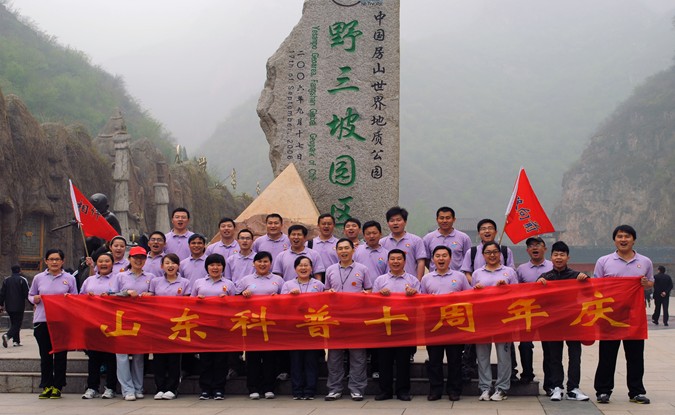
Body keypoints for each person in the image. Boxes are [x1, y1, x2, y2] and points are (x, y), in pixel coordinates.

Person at [593, 225, 653, 405]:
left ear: (634, 240)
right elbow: (595, 285)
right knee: (607, 355)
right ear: (614, 240)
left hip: (634, 317)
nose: (623, 239)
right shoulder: (604, 261)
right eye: (619, 236)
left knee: (635, 356)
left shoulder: (645, 262)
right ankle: (603, 391)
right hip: (610, 316)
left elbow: (650, 282)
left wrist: (646, 284)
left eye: (627, 236)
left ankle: (636, 391)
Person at [536, 241, 590, 402]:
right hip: (553, 323)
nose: (559, 258)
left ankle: (573, 388)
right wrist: (538, 286)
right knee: (554, 356)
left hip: (573, 321)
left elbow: (591, 292)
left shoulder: (576, 276)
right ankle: (557, 387)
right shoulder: (545, 277)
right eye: (556, 255)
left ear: (568, 257)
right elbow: (536, 298)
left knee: (575, 356)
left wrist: (586, 279)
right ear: (551, 257)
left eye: (562, 255)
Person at [420, 245, 471, 401]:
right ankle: (435, 390)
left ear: (450, 258)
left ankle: (454, 390)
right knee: (434, 359)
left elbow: (469, 297)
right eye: (437, 256)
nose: (441, 259)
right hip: (434, 324)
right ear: (433, 259)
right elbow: (421, 301)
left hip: (454, 323)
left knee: (455, 359)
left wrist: (457, 298)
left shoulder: (460, 276)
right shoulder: (426, 278)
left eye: (444, 255)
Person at [324, 238, 372, 402]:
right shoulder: (330, 269)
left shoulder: (363, 269)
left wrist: (366, 295)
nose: (343, 251)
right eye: (340, 248)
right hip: (336, 319)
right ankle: (334, 389)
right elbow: (326, 291)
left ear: (353, 250)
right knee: (334, 356)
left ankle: (357, 388)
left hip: (356, 319)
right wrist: (328, 292)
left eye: (346, 248)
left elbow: (369, 289)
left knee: (358, 355)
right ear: (336, 251)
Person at [29, 249, 78, 399]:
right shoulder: (38, 278)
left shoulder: (69, 278)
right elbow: (31, 295)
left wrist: (69, 298)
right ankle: (46, 385)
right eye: (51, 259)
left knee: (60, 354)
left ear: (63, 261)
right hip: (42, 320)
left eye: (57, 259)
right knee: (45, 355)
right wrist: (35, 299)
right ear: (46, 261)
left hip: (62, 321)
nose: (54, 262)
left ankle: (58, 386)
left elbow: (76, 297)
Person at [372, 249, 420, 401]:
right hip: (385, 326)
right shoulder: (380, 280)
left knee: (403, 360)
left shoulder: (413, 280)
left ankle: (403, 391)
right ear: (388, 261)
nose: (396, 262)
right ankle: (385, 391)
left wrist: (413, 294)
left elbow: (420, 303)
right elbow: (373, 303)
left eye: (399, 259)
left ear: (405, 261)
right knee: (384, 360)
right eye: (392, 259)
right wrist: (380, 294)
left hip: (405, 327)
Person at [472, 241, 517, 402]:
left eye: (495, 252)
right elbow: (472, 296)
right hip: (483, 318)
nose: (492, 255)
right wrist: (476, 290)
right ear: (483, 255)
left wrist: (506, 288)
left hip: (503, 318)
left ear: (500, 254)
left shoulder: (509, 272)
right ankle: (485, 387)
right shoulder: (477, 273)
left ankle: (502, 388)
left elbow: (517, 294)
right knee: (482, 355)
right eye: (488, 252)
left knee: (503, 355)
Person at [236, 251, 285, 400]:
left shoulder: (278, 280)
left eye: (265, 261)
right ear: (254, 263)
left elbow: (286, 300)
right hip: (252, 325)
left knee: (270, 357)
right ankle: (253, 387)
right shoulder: (246, 280)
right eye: (259, 261)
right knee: (253, 358)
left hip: (271, 324)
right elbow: (235, 300)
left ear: (270, 264)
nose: (262, 264)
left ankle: (269, 387)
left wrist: (278, 298)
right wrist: (243, 295)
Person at [192, 254, 236, 400]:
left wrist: (227, 301)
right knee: (205, 359)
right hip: (204, 326)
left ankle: (218, 389)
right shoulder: (199, 283)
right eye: (212, 265)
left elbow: (236, 306)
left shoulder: (229, 284)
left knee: (221, 360)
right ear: (207, 267)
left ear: (223, 267)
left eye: (218, 265)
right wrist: (198, 301)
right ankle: (205, 389)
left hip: (222, 327)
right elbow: (190, 303)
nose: (215, 268)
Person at [148, 253, 192, 400]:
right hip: (159, 324)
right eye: (167, 263)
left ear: (178, 266)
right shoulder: (155, 282)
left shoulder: (185, 282)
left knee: (174, 358)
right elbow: (151, 300)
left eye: (173, 263)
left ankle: (172, 388)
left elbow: (187, 303)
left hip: (177, 324)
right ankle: (160, 387)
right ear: (162, 266)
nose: (170, 266)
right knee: (158, 357)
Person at [115, 246, 156, 401]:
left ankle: (138, 387)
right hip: (122, 320)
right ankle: (127, 389)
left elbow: (155, 294)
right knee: (122, 355)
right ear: (129, 259)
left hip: (142, 320)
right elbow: (111, 295)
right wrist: (125, 293)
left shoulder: (151, 277)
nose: (139, 261)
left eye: (142, 258)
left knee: (139, 355)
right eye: (135, 257)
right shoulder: (120, 276)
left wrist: (150, 294)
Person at [281, 256, 325, 400]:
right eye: (300, 265)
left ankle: (310, 390)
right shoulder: (288, 285)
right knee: (296, 361)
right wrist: (290, 297)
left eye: (306, 265)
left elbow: (324, 304)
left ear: (311, 268)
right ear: (295, 269)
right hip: (294, 329)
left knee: (311, 361)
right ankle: (297, 390)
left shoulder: (319, 285)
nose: (303, 268)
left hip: (313, 327)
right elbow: (281, 305)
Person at [80, 252, 121, 399]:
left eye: (107, 261)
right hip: (93, 322)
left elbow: (124, 297)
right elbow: (80, 298)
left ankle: (111, 387)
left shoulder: (118, 279)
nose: (103, 264)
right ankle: (92, 387)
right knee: (94, 356)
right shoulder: (89, 280)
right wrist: (87, 297)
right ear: (96, 264)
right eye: (100, 261)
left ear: (112, 264)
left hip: (112, 323)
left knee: (111, 357)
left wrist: (111, 296)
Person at [513, 237, 553, 385]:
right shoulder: (521, 269)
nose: (534, 248)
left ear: (545, 249)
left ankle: (550, 381)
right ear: (527, 250)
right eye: (531, 246)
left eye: (538, 245)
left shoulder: (553, 266)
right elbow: (515, 290)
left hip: (548, 313)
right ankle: (527, 374)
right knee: (525, 345)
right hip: (527, 312)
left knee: (549, 346)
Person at [353, 220, 389, 379]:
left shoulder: (387, 254)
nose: (371, 236)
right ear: (363, 235)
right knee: (361, 333)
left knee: (377, 334)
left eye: (374, 233)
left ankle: (376, 367)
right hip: (360, 299)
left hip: (379, 300)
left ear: (380, 234)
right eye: (368, 233)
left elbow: (389, 276)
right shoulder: (357, 251)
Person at [460, 219, 515, 284]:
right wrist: (477, 284)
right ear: (479, 233)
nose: (487, 231)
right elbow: (467, 273)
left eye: (490, 228)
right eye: (483, 229)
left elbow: (511, 273)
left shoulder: (505, 251)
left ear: (495, 232)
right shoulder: (471, 252)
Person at [379, 207, 427, 280]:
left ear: (405, 222)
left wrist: (418, 282)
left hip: (410, 283)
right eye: (392, 220)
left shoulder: (416, 240)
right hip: (388, 283)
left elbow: (421, 262)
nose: (395, 223)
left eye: (398, 220)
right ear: (388, 223)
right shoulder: (382, 242)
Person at [423, 207, 472, 272]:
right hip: (435, 276)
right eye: (441, 218)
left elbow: (468, 259)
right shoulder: (428, 238)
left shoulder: (464, 238)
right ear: (437, 219)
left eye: (448, 218)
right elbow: (426, 260)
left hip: (457, 276)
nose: (445, 221)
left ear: (454, 219)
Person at [0, 265, 29, 348]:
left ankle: (16, 341)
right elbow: (27, 293)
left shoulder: (6, 280)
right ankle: (7, 336)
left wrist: (1, 305)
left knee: (14, 323)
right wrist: (33, 303)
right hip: (19, 305)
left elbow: (2, 294)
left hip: (9, 306)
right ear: (20, 270)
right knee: (17, 324)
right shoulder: (22, 280)